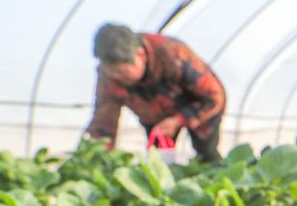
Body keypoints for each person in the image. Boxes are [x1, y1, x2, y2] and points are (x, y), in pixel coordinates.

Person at [85, 23, 226, 163]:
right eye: (112, 72)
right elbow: (103, 124)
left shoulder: (172, 52)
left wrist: (178, 120)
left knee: (207, 155)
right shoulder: (108, 77)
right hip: (154, 118)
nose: (116, 77)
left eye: (122, 73)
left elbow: (214, 97)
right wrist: (99, 159)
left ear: (140, 55)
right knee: (159, 160)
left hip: (198, 107)